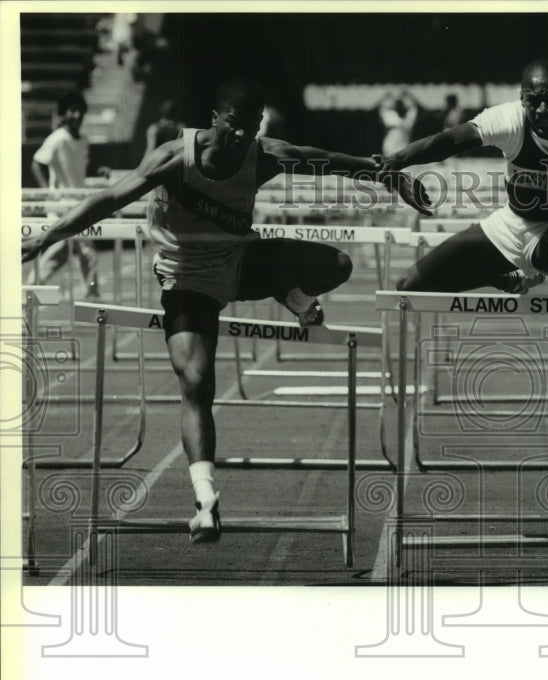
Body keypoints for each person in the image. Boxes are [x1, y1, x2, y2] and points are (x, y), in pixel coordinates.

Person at [22, 78, 428, 543]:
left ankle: (292, 293)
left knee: (336, 264)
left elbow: (327, 161)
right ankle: (205, 499)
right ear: (215, 119)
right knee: (196, 381)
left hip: (239, 262)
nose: (242, 136)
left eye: (251, 127)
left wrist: (388, 175)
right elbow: (111, 200)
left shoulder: (264, 154)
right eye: (234, 126)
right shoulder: (174, 157)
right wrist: (48, 237)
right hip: (185, 275)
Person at [382, 59, 548, 351]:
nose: (542, 110)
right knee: (408, 287)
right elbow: (450, 140)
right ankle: (506, 279)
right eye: (534, 102)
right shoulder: (510, 119)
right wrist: (399, 159)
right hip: (511, 224)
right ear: (522, 98)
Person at [31, 91, 106, 299]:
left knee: (86, 253)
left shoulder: (83, 140)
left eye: (80, 111)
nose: (77, 115)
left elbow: (81, 169)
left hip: (79, 205)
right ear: (65, 114)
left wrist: (97, 171)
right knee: (61, 250)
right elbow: (37, 163)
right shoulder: (56, 139)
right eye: (73, 111)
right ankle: (28, 290)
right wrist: (49, 191)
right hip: (61, 206)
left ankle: (92, 294)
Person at [379, 90, 419, 155]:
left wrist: (408, 97)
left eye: (400, 103)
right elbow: (384, 108)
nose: (399, 105)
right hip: (392, 142)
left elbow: (413, 109)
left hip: (403, 142)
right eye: (397, 104)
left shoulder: (408, 117)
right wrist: (390, 98)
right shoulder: (391, 115)